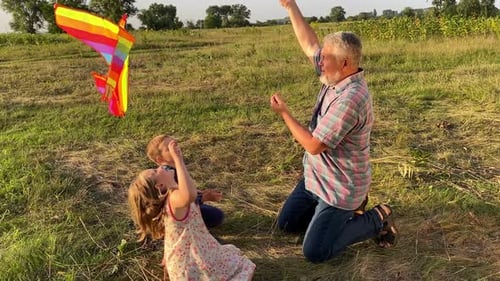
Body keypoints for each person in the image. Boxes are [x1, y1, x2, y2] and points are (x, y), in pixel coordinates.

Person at [270, 0, 397, 263]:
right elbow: (309, 46)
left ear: (346, 63)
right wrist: (291, 6)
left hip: (340, 188)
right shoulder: (335, 74)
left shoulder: (351, 98)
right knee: (286, 225)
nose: (319, 62)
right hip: (315, 178)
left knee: (315, 252)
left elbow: (314, 145)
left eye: (325, 59)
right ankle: (343, 215)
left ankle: (375, 218)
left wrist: (285, 114)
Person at [128, 139, 255, 280]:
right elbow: (190, 194)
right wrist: (178, 159)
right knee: (241, 266)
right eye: (155, 171)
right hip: (188, 266)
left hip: (186, 256)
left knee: (228, 254)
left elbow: (171, 235)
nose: (159, 168)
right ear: (160, 186)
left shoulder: (171, 196)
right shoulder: (174, 198)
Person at [147, 134, 225, 229]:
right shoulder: (168, 173)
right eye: (169, 149)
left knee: (213, 212)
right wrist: (203, 198)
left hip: (181, 209)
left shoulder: (173, 168)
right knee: (216, 215)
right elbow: (181, 199)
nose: (175, 149)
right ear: (160, 159)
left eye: (175, 145)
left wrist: (199, 193)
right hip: (175, 214)